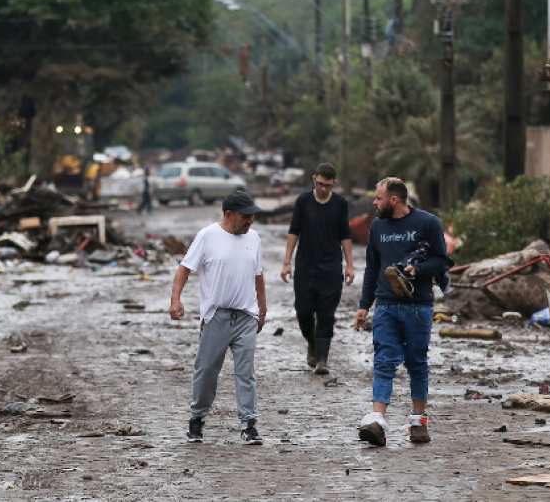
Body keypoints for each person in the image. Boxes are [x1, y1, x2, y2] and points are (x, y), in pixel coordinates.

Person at [354, 177, 451, 446]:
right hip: (385, 305)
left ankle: (418, 422)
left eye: (378, 198)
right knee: (383, 360)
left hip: (418, 306)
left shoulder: (427, 223)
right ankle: (377, 421)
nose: (374, 202)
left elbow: (441, 261)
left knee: (416, 362)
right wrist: (364, 305)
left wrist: (417, 270)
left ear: (393, 199)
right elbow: (372, 268)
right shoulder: (377, 226)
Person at [169, 190, 267, 445]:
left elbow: (258, 276)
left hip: (246, 316)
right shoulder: (207, 236)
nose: (250, 221)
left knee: (246, 372)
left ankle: (249, 424)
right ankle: (197, 418)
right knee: (207, 371)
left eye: (252, 216)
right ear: (229, 214)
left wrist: (262, 309)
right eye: (245, 217)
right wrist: (176, 299)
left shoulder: (254, 238)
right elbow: (184, 268)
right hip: (217, 317)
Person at [281, 163, 354, 375]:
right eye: (320, 184)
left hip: (331, 268)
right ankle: (311, 342)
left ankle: (322, 359)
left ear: (334, 184)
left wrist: (350, 265)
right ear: (314, 179)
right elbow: (294, 230)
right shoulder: (303, 201)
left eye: (328, 186)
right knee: (303, 311)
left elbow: (345, 235)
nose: (323, 189)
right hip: (305, 266)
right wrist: (287, 262)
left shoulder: (340, 204)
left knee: (326, 314)